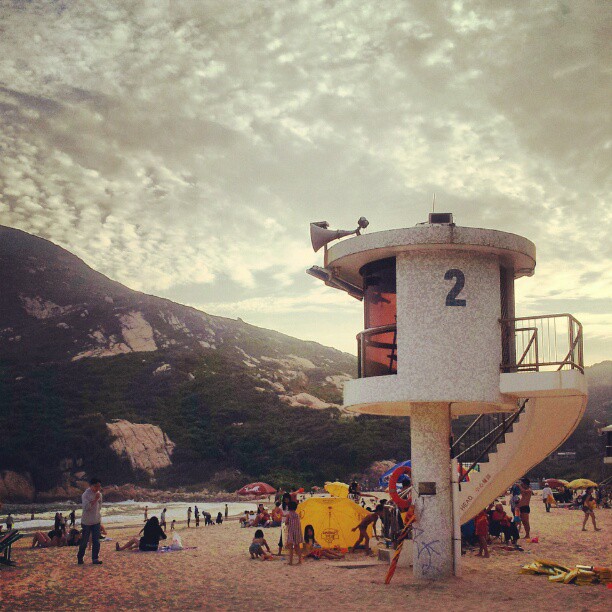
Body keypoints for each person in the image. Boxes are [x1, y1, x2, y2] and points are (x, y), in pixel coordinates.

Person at [77, 477, 103, 565]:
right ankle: (80, 557)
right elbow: (86, 507)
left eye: (99, 486)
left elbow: (99, 507)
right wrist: (95, 499)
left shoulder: (99, 494)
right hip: (86, 522)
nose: (97, 489)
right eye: (96, 486)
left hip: (96, 521)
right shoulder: (85, 494)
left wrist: (98, 517)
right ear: (91, 486)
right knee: (84, 542)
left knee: (96, 541)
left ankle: (95, 558)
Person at [284, 501, 303, 565]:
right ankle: (300, 560)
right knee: (297, 546)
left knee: (290, 547)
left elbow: (286, 522)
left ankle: (291, 562)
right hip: (297, 531)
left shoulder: (289, 515)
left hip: (291, 532)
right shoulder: (297, 515)